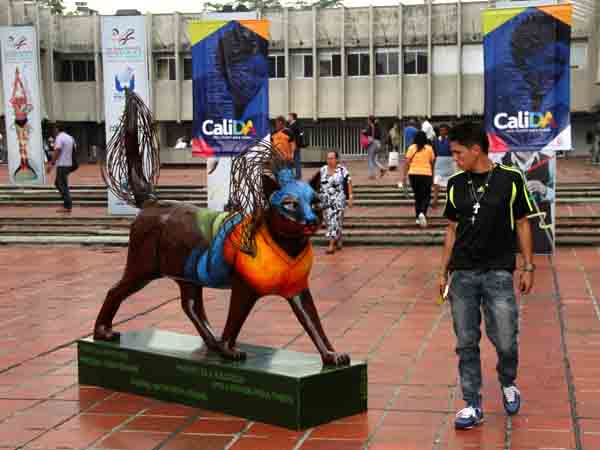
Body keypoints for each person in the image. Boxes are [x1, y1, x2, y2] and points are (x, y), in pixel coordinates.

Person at [439, 121, 535, 430]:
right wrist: (443, 272)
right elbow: (451, 229)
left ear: (476, 149)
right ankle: (472, 403)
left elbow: (523, 223)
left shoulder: (511, 178)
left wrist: (528, 266)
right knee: (466, 341)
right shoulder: (455, 183)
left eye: (458, 152)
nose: (455, 158)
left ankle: (508, 381)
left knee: (505, 339)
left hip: (499, 272)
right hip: (463, 274)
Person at [313, 151, 353, 254]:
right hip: (325, 199)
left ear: (337, 159)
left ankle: (331, 245)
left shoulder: (342, 170)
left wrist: (350, 197)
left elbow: (349, 182)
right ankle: (338, 237)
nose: (329, 160)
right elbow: (316, 182)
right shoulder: (322, 170)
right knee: (328, 221)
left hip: (338, 199)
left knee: (334, 220)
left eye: (332, 158)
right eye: (328, 158)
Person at [403, 131, 435, 228]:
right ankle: (422, 213)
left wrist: (404, 176)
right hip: (426, 174)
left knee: (417, 196)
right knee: (426, 195)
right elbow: (432, 162)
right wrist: (432, 175)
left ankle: (417, 218)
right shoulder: (429, 148)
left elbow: (407, 162)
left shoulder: (411, 148)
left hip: (413, 174)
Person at [46, 124, 75, 213]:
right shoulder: (70, 138)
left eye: (54, 129)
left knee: (61, 184)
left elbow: (57, 151)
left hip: (62, 164)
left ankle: (67, 205)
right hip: (68, 164)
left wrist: (51, 164)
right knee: (60, 183)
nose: (53, 131)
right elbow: (74, 150)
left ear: (57, 129)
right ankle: (66, 203)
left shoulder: (59, 137)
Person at [432, 124, 455, 208]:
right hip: (439, 161)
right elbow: (434, 152)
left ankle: (450, 199)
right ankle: (435, 199)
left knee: (450, 181)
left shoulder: (451, 140)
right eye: (441, 130)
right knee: (436, 180)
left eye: (444, 130)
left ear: (447, 131)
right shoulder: (435, 140)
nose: (442, 132)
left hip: (449, 161)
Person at [288, 112, 304, 179]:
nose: (288, 118)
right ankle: (294, 175)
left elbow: (299, 135)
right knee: (293, 160)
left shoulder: (295, 125)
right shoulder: (291, 124)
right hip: (292, 145)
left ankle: (297, 175)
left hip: (294, 145)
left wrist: (296, 144)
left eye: (289, 116)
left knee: (295, 160)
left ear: (292, 117)